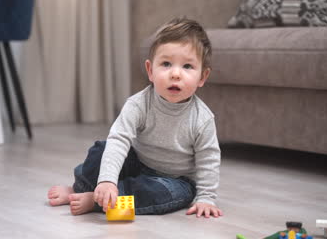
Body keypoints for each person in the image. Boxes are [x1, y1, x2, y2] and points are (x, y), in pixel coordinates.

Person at [47, 17, 223, 218]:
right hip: (137, 163)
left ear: (202, 77)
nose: (175, 74)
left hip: (175, 179)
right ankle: (82, 189)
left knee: (165, 194)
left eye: (187, 67)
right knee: (101, 150)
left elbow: (208, 159)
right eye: (166, 64)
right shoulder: (139, 104)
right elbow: (119, 140)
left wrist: (206, 198)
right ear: (150, 70)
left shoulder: (202, 119)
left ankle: (96, 201)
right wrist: (107, 180)